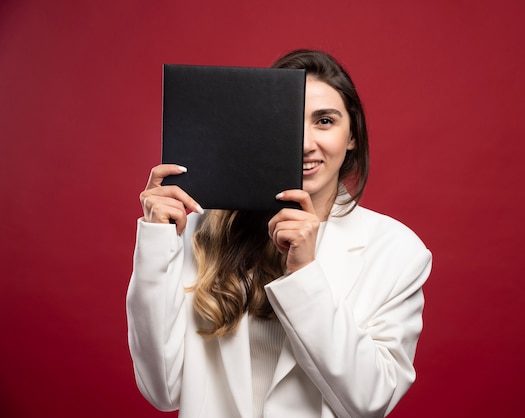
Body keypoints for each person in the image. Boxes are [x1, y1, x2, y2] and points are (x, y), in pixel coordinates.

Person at [126, 49, 432, 418]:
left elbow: (370, 402)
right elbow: (163, 389)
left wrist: (304, 273)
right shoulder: (200, 228)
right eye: (287, 121)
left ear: (352, 135)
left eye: (324, 121)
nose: (304, 144)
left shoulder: (397, 251)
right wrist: (157, 241)